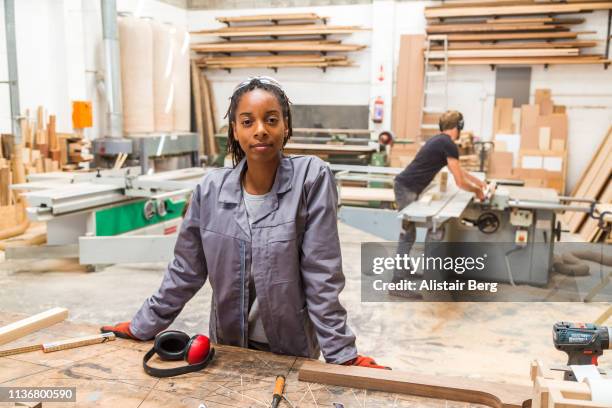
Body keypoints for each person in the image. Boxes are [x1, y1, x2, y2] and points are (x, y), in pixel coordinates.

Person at [102, 76, 385, 369]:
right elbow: (186, 270)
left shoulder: (311, 179)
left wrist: (343, 354)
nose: (260, 130)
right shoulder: (210, 190)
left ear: (286, 126)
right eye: (247, 122)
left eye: (271, 120)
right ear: (234, 130)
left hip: (292, 350)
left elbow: (321, 274)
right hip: (228, 348)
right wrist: (142, 325)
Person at [391, 110, 486, 286]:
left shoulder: (440, 141)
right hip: (406, 188)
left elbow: (459, 171)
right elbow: (459, 181)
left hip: (407, 186)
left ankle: (405, 272)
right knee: (407, 234)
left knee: (409, 232)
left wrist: (478, 183)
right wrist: (476, 192)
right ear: (458, 127)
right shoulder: (448, 144)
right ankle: (397, 281)